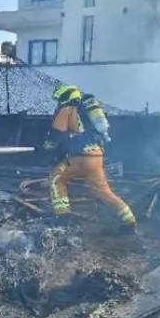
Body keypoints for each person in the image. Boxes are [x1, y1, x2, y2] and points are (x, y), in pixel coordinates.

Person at [44, 84, 137, 234]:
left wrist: (47, 146)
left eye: (60, 98)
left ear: (66, 97)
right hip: (96, 157)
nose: (59, 102)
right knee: (104, 191)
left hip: (79, 158)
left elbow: (56, 135)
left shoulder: (66, 109)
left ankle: (63, 218)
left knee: (56, 179)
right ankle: (129, 221)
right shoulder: (87, 112)